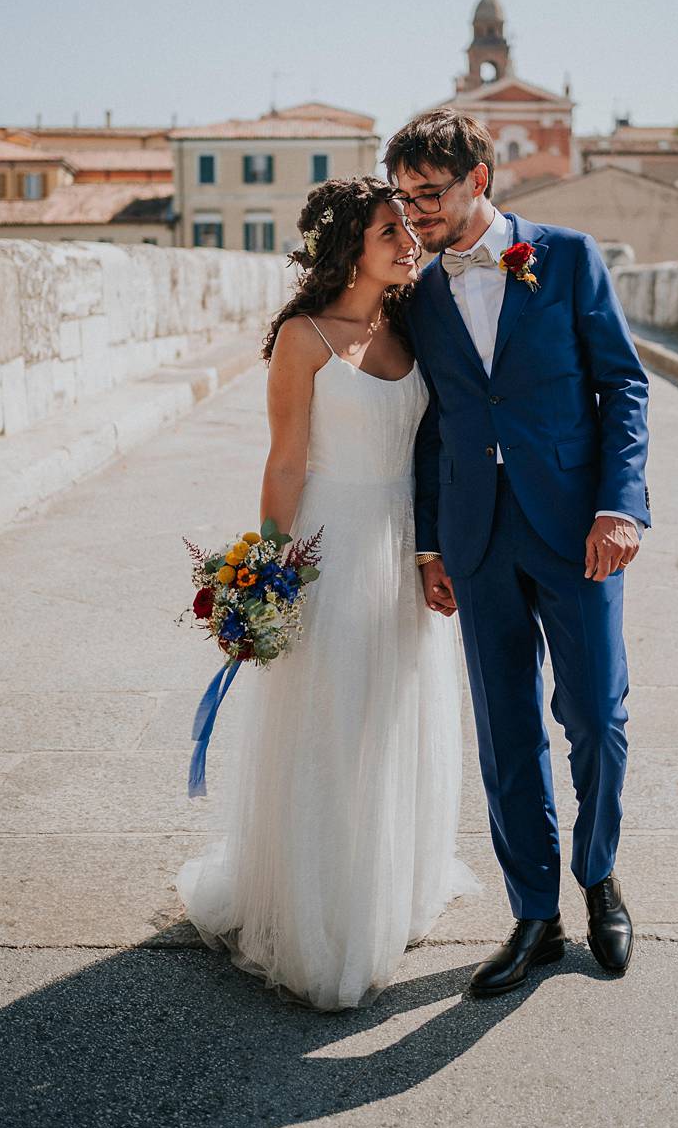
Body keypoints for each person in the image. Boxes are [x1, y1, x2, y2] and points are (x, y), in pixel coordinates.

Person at [176, 176, 475, 1011]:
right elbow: (284, 462)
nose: (408, 241)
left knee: (395, 712)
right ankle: (321, 910)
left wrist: (435, 548)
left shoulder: (413, 323)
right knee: (333, 723)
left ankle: (390, 884)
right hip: (330, 546)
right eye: (391, 230)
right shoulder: (303, 339)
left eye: (408, 230)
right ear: (350, 244)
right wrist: (268, 574)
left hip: (401, 543)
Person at [385, 109, 650, 996]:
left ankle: (599, 877)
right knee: (505, 732)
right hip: (476, 537)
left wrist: (620, 505)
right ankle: (534, 912)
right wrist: (430, 545)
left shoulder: (567, 257)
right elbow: (429, 427)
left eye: (432, 192)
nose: (416, 210)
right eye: (406, 194)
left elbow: (623, 385)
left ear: (479, 181)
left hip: (579, 528)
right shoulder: (417, 293)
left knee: (598, 721)